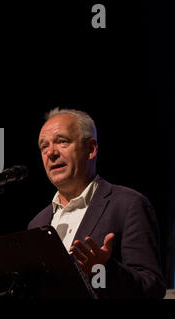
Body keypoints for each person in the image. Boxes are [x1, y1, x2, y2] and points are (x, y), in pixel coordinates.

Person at [28, 108, 166, 298]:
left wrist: (102, 270)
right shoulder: (37, 224)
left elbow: (152, 288)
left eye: (62, 141)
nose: (51, 152)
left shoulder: (128, 205)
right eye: (44, 147)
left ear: (91, 149)